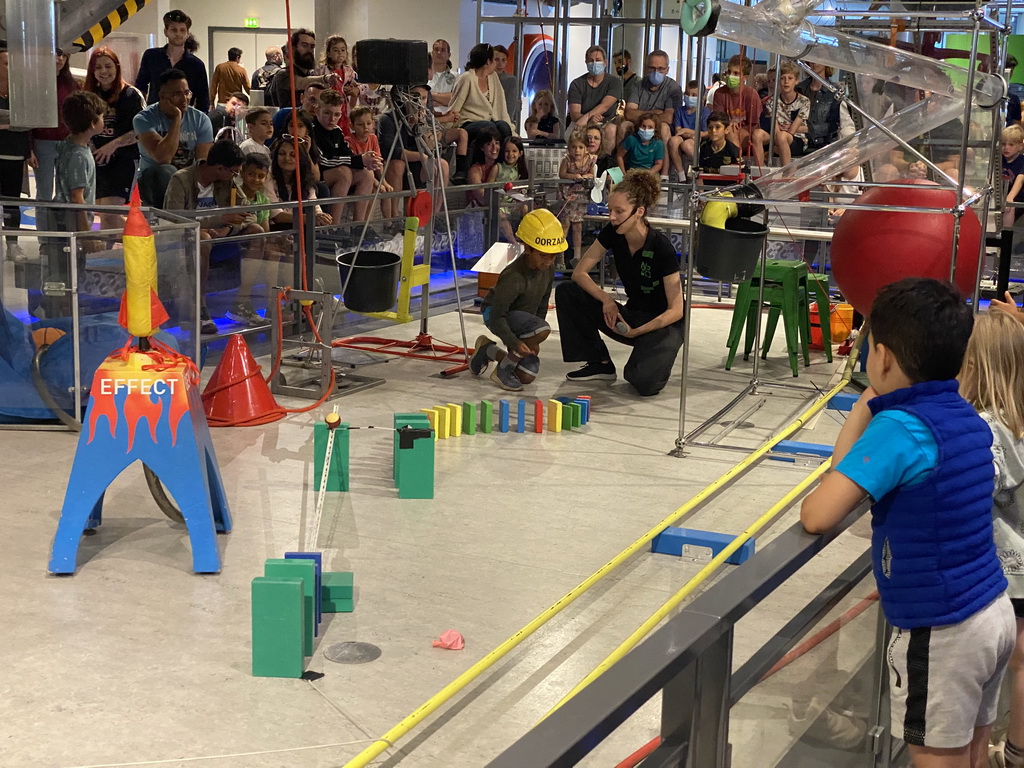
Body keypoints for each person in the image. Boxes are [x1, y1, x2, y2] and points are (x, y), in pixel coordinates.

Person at [800, 277, 1013, 768]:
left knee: (934, 755)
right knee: (969, 751)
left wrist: (863, 406)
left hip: (943, 627)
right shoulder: (960, 412)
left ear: (883, 358)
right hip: (991, 609)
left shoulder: (901, 428)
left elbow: (818, 513)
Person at [959, 310, 1024, 768]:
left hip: (1001, 576)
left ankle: (979, 755)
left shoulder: (984, 429)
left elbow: (978, 485)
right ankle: (1018, 749)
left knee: (988, 680)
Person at [555, 170, 684, 395]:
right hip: (633, 314)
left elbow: (676, 310)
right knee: (568, 291)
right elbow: (580, 273)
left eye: (619, 211)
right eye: (610, 210)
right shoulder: (613, 233)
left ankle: (649, 355)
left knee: (643, 382)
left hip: (663, 324)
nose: (611, 217)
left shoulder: (661, 247)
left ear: (638, 212)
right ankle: (599, 362)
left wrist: (640, 331)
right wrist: (607, 300)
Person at [163, 140, 259, 334]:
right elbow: (174, 219)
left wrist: (227, 229)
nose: (235, 176)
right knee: (204, 238)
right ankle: (199, 307)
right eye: (233, 172)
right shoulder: (181, 180)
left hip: (219, 237)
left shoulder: (227, 182)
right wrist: (219, 219)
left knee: (257, 231)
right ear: (220, 168)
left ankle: (242, 302)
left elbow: (250, 212)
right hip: (186, 241)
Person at [469, 208, 563, 391]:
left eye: (553, 256)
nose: (549, 261)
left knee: (526, 376)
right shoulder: (513, 277)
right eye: (543, 255)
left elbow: (543, 303)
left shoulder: (548, 269)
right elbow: (497, 316)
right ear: (527, 248)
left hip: (520, 319)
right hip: (495, 314)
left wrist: (533, 340)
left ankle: (487, 350)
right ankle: (501, 371)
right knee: (543, 330)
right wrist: (514, 342)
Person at [84, 46, 145, 231]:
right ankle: (115, 251)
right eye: (98, 67)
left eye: (108, 66)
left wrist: (113, 145)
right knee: (104, 214)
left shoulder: (131, 95)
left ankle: (141, 242)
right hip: (97, 161)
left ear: (117, 67)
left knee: (110, 213)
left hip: (123, 160)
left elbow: (141, 130)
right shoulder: (89, 96)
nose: (104, 72)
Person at [133, 68, 214, 207]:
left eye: (187, 93)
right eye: (177, 94)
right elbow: (163, 158)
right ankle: (168, 221)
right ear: (163, 96)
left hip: (187, 179)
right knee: (167, 171)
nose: (184, 99)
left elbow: (202, 163)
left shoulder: (201, 119)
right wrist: (177, 118)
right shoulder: (143, 119)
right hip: (153, 179)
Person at [311, 88, 381, 225]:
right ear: (317, 110)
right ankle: (334, 227)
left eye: (337, 115)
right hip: (315, 176)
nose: (332, 119)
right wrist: (360, 159)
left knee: (367, 174)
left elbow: (347, 155)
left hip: (332, 174)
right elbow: (323, 161)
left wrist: (366, 161)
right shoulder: (311, 129)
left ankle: (358, 226)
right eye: (327, 113)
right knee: (343, 173)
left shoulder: (336, 130)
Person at [378, 85, 450, 218]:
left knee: (443, 165)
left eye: (423, 98)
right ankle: (393, 219)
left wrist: (421, 125)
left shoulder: (426, 118)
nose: (420, 103)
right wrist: (420, 156)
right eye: (416, 98)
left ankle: (433, 216)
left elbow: (432, 149)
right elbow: (390, 150)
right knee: (397, 165)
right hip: (396, 168)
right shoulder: (388, 119)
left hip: (417, 167)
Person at [52, 91, 106, 262]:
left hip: (64, 221)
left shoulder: (68, 144)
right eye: (102, 116)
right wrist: (86, 235)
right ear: (92, 123)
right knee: (71, 269)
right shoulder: (78, 156)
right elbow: (77, 197)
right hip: (71, 224)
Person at [227, 152, 274, 326]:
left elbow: (265, 228)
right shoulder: (236, 194)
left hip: (257, 242)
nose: (256, 180)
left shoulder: (263, 200)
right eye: (251, 174)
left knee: (276, 251)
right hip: (238, 241)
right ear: (242, 173)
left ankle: (272, 304)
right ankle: (242, 300)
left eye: (261, 176)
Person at [135, 10, 210, 113]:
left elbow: (203, 100)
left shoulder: (196, 65)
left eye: (182, 30)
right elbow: (140, 87)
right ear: (166, 31)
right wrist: (141, 114)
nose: (178, 34)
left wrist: (198, 123)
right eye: (174, 30)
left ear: (188, 33)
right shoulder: (151, 56)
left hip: (184, 119)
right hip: (155, 117)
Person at [32, 48, 79, 202]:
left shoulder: (71, 84)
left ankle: (60, 225)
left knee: (64, 192)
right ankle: (44, 226)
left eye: (64, 56)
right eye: (57, 55)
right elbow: (29, 117)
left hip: (67, 143)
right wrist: (29, 148)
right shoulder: (35, 82)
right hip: (42, 142)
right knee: (44, 192)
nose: (60, 59)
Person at [0, 44, 32, 262]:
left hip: (14, 154)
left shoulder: (20, 92)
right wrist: (13, 120)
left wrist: (6, 122)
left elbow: (27, 122)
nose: (10, 67)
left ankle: (13, 244)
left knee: (12, 202)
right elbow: (18, 120)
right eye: (5, 63)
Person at [450, 43, 516, 144]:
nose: (497, 63)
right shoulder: (467, 78)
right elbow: (455, 107)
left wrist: (512, 131)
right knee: (489, 127)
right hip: (468, 123)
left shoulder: (493, 77)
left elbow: (501, 107)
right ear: (488, 62)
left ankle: (502, 158)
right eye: (494, 59)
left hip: (489, 122)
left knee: (503, 126)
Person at [712, 54, 770, 168]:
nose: (730, 76)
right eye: (729, 72)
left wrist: (736, 127)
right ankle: (736, 166)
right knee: (730, 131)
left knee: (734, 132)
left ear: (745, 77)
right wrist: (729, 125)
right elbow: (719, 119)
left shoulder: (751, 95)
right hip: (726, 131)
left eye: (736, 73)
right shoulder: (719, 93)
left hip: (747, 132)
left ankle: (753, 169)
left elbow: (753, 126)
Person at [265, 136, 333, 228]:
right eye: (282, 154)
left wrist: (321, 217)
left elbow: (314, 207)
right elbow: (276, 215)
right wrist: (311, 218)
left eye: (293, 155)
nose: (287, 158)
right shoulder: (268, 177)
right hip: (278, 229)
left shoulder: (305, 179)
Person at [567, 45, 622, 158]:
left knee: (611, 130)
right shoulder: (576, 84)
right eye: (591, 61)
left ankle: (604, 166)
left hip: (605, 123)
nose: (594, 63)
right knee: (572, 134)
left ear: (605, 62)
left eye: (598, 60)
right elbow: (574, 114)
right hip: (582, 122)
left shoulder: (615, 83)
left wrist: (587, 117)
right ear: (586, 62)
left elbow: (605, 105)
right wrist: (588, 120)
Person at [622, 50, 682, 152]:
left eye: (660, 69)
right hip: (639, 125)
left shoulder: (673, 88)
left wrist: (642, 115)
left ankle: (665, 166)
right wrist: (653, 113)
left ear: (667, 70)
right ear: (646, 69)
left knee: (664, 128)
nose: (656, 72)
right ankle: (621, 164)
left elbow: (668, 117)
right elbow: (629, 113)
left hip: (660, 126)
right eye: (652, 68)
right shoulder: (638, 85)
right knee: (624, 126)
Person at [267, 29, 333, 109]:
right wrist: (325, 78)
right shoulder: (283, 74)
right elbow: (300, 82)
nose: (309, 50)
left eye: (312, 47)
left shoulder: (312, 73)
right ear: (293, 48)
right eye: (304, 45)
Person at [558, 131, 597, 268]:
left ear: (586, 148)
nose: (577, 150)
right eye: (574, 147)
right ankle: (559, 256)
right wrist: (573, 176)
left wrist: (585, 175)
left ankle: (577, 256)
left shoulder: (590, 161)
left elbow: (592, 174)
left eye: (580, 147)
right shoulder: (567, 160)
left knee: (578, 227)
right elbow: (562, 174)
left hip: (581, 198)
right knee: (565, 225)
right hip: (568, 197)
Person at [765, 61, 810, 167]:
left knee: (782, 136)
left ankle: (787, 173)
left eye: (790, 78)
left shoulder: (804, 101)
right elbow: (775, 127)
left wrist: (779, 140)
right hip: (778, 137)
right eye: (782, 78)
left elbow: (793, 130)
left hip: (796, 139)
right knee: (759, 134)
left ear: (796, 81)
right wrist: (777, 142)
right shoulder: (771, 102)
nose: (786, 82)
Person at [666, 79, 710, 181]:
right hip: (684, 137)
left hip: (698, 140)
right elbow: (678, 131)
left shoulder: (704, 112)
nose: (690, 97)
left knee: (687, 144)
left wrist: (687, 131)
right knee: (673, 141)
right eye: (687, 94)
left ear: (701, 97)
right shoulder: (680, 111)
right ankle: (681, 175)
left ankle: (701, 166)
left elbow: (705, 133)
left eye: (694, 95)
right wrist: (690, 133)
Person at [796, 61, 840, 152]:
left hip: (825, 146)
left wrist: (808, 129)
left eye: (818, 59)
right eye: (812, 59)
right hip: (800, 144)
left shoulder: (835, 91)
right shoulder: (800, 88)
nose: (814, 63)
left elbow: (835, 124)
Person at [497, 136, 528, 242]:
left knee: (525, 208)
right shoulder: (498, 167)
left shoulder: (520, 170)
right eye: (507, 151)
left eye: (514, 151)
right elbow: (489, 186)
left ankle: (522, 237)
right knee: (500, 215)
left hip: (512, 202)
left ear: (520, 153)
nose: (510, 154)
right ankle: (512, 241)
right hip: (499, 203)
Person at [465, 126, 501, 207]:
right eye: (489, 144)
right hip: (477, 212)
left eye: (497, 143)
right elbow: (483, 199)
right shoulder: (475, 170)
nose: (494, 147)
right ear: (481, 147)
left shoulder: (502, 166)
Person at [492, 45, 521, 133]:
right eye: (497, 59)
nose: (500, 64)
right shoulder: (484, 77)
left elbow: (510, 105)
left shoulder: (510, 80)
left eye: (503, 60)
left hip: (503, 121)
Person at [1004, 124, 1024, 227]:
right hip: (1001, 195)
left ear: (1020, 146)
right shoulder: (999, 159)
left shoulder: (1022, 161)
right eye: (1004, 144)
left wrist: (1010, 197)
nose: (1006, 148)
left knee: (1009, 207)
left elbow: (1020, 179)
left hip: (1017, 197)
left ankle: (1005, 237)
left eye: (1011, 145)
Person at [429, 39, 458, 108]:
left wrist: (430, 95)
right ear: (432, 54)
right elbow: (421, 98)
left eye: (443, 50)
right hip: (427, 117)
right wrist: (444, 99)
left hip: (449, 117)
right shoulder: (423, 76)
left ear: (449, 55)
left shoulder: (457, 77)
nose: (439, 52)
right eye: (436, 49)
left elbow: (456, 99)